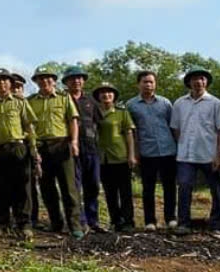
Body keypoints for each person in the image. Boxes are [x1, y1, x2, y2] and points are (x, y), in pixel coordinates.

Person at [170, 68, 220, 238]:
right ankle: (184, 224)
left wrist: (219, 155)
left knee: (216, 190)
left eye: (202, 79)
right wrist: (183, 143)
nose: (198, 82)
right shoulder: (179, 103)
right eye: (194, 79)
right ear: (189, 82)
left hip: (210, 154)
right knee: (185, 187)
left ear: (206, 82)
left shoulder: (216, 103)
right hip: (186, 155)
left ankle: (217, 225)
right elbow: (176, 128)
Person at [27, 66, 83, 239]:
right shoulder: (30, 101)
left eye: (48, 78)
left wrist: (74, 142)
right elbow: (28, 126)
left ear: (54, 80)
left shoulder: (64, 97)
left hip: (62, 145)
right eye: (41, 78)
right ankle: (56, 223)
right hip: (42, 148)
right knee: (47, 188)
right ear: (36, 81)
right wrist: (33, 149)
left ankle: (74, 225)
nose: (45, 81)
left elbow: (73, 120)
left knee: (69, 188)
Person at [0, 69, 39, 240]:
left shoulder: (19, 102)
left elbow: (29, 127)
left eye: (5, 80)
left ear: (10, 83)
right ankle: (2, 223)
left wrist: (33, 149)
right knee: (1, 188)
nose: (1, 83)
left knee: (23, 188)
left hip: (18, 148)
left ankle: (24, 224)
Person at [126, 70, 179, 231]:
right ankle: (150, 221)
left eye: (151, 82)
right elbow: (131, 132)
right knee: (148, 188)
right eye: (145, 82)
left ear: (155, 84)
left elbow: (173, 126)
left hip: (168, 150)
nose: (148, 85)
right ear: (138, 84)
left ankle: (170, 218)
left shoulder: (165, 103)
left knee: (169, 186)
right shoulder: (131, 105)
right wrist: (134, 153)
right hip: (146, 152)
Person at [63, 67, 105, 233]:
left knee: (93, 185)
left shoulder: (91, 101)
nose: (76, 81)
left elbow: (99, 125)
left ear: (84, 81)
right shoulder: (62, 100)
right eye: (72, 79)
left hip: (91, 149)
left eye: (79, 78)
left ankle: (92, 220)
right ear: (66, 82)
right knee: (74, 187)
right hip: (70, 150)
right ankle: (79, 221)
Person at [93, 82, 137, 232]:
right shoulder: (94, 113)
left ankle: (128, 221)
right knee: (110, 193)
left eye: (109, 93)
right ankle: (116, 221)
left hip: (121, 156)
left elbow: (129, 134)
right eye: (103, 93)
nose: (106, 95)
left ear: (114, 96)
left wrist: (131, 155)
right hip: (103, 159)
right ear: (98, 96)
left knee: (125, 192)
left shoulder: (121, 112)